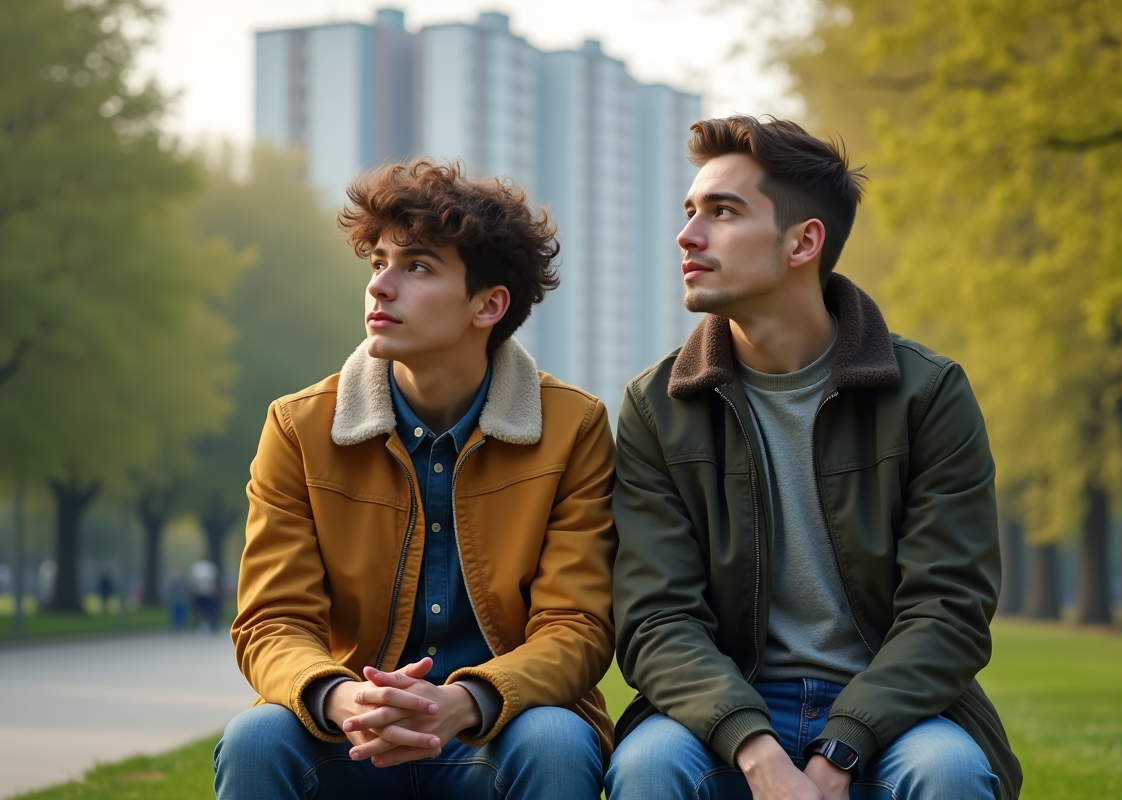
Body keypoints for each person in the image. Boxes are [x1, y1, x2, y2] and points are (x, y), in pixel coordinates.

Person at [605, 116, 1022, 800]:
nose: (687, 235)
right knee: (648, 768)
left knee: (948, 772)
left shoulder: (928, 392)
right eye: (689, 212)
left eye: (723, 212)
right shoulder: (658, 405)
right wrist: (756, 748)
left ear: (803, 241)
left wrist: (840, 750)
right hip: (723, 708)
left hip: (894, 710)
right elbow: (656, 618)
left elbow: (948, 609)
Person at [214, 160, 617, 800]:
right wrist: (341, 697)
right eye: (378, 262)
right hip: (353, 731)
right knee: (255, 738)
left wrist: (464, 701)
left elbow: (576, 626)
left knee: (557, 740)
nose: (381, 286)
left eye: (417, 267)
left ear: (488, 304)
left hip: (497, 729)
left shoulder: (573, 427)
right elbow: (272, 619)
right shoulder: (298, 428)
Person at [189, 559, 219, 633]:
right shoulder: (199, 568)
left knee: (208, 610)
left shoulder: (207, 568)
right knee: (200, 610)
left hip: (207, 593)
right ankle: (198, 625)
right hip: (200, 592)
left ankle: (210, 625)